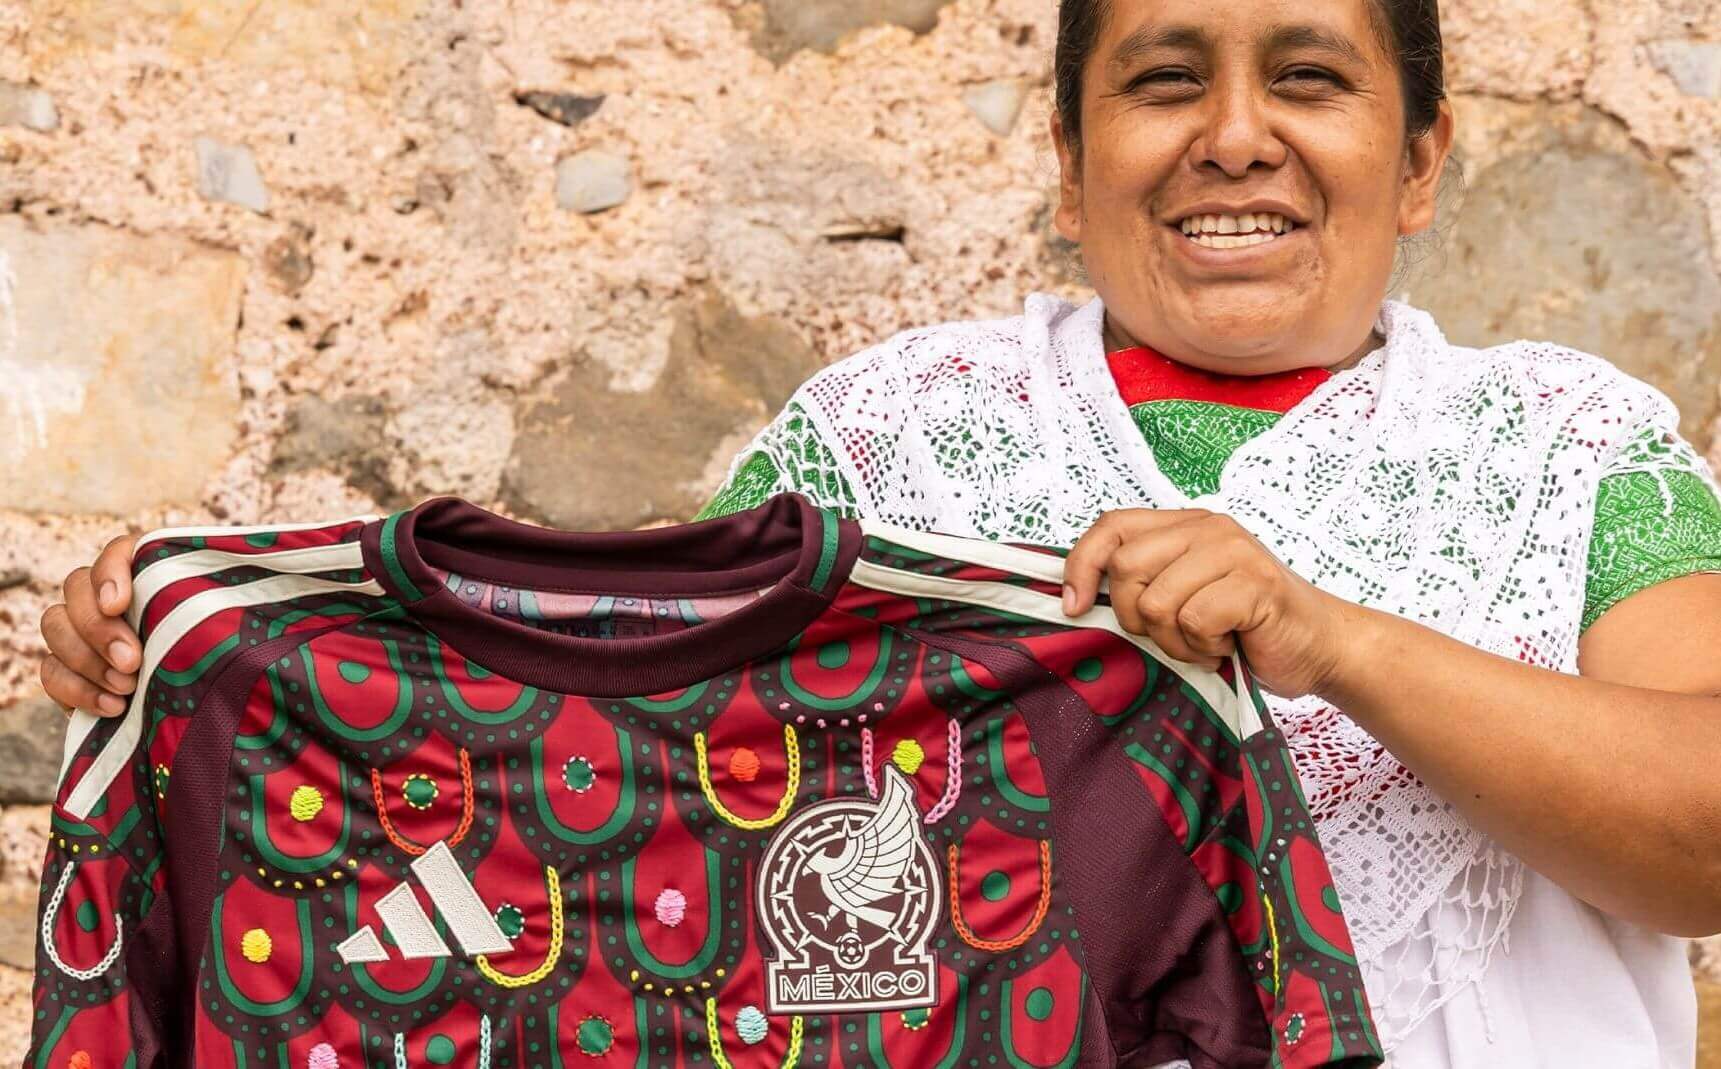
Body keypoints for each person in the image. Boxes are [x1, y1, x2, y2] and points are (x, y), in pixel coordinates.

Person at [35, 0, 1721, 1065]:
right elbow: (624, 748)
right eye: (1158, 79)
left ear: (1419, 159)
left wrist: (1330, 641)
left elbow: (1703, 834)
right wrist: (205, 625)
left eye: (1308, 76)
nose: (1232, 134)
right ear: (1066, 165)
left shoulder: (1569, 447)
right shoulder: (882, 437)